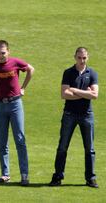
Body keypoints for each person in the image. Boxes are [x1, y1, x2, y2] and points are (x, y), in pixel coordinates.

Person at [49, 47, 99, 188]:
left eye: (84, 58)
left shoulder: (92, 73)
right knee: (62, 147)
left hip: (86, 115)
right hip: (69, 114)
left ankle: (90, 178)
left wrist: (75, 90)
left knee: (89, 148)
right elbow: (64, 94)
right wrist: (85, 93)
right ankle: (57, 177)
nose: (81, 60)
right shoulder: (68, 72)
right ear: (75, 57)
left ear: (87, 57)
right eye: (79, 57)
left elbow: (95, 95)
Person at [0, 40, 34, 186]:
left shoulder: (15, 62)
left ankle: (24, 175)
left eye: (3, 53)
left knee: (20, 140)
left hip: (15, 105)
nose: (0, 56)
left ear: (8, 51)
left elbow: (31, 69)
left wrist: (23, 88)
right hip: (0, 106)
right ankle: (5, 174)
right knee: (2, 142)